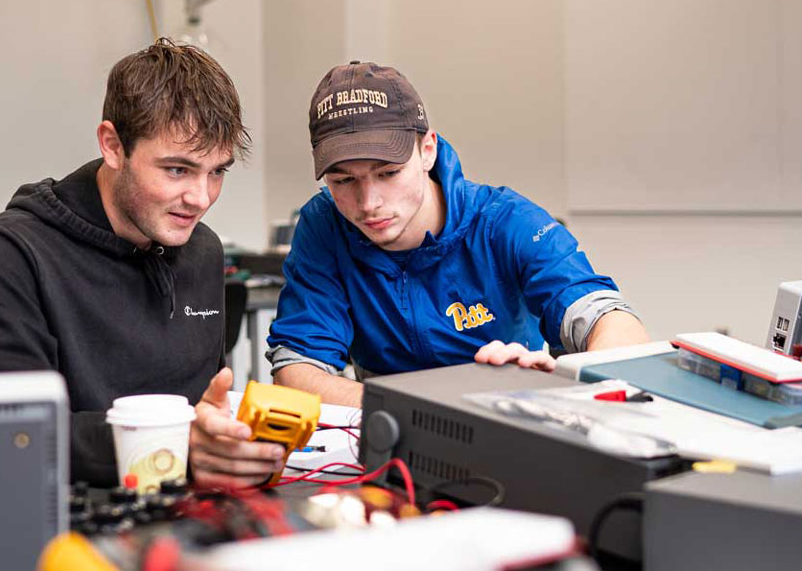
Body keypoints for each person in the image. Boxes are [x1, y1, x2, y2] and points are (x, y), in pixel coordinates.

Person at [191, 61, 649, 486]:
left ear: (427, 149)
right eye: (343, 181)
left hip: (509, 443)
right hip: (388, 452)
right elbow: (297, 372)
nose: (368, 203)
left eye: (388, 173)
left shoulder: (504, 221)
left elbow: (613, 323)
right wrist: (430, 416)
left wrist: (565, 387)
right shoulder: (324, 225)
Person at [0, 38, 261, 486]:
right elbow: (13, 436)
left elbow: (204, 409)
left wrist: (227, 440)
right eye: (177, 170)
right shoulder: (7, 256)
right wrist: (171, 443)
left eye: (217, 172)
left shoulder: (204, 251)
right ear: (113, 146)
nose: (200, 198)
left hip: (192, 514)